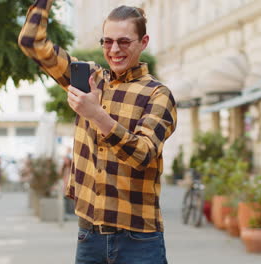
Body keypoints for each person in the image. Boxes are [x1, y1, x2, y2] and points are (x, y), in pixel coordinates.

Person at [19, 1, 177, 263]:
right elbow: (31, 41)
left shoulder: (158, 95)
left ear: (144, 42)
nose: (114, 50)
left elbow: (143, 155)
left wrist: (96, 115)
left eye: (124, 42)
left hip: (138, 240)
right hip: (89, 236)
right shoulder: (89, 79)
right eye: (108, 41)